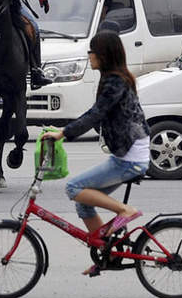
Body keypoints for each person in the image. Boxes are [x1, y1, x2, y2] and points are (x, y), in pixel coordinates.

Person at [40, 31, 150, 276]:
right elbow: (95, 112)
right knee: (83, 204)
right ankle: (107, 253)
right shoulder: (114, 79)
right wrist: (64, 129)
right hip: (128, 154)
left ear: (104, 55)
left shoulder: (116, 82)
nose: (89, 55)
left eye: (93, 51)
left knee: (73, 188)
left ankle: (125, 211)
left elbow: (95, 114)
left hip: (130, 158)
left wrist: (63, 133)